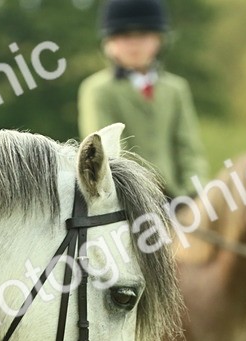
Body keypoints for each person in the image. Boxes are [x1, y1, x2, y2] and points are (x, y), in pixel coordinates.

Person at [78, 0, 208, 199]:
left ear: (159, 40)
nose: (134, 44)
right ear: (109, 43)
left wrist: (194, 191)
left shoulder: (176, 89)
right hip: (126, 197)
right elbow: (108, 152)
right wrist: (139, 194)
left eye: (143, 35)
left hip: (176, 196)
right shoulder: (98, 89)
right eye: (125, 36)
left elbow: (189, 149)